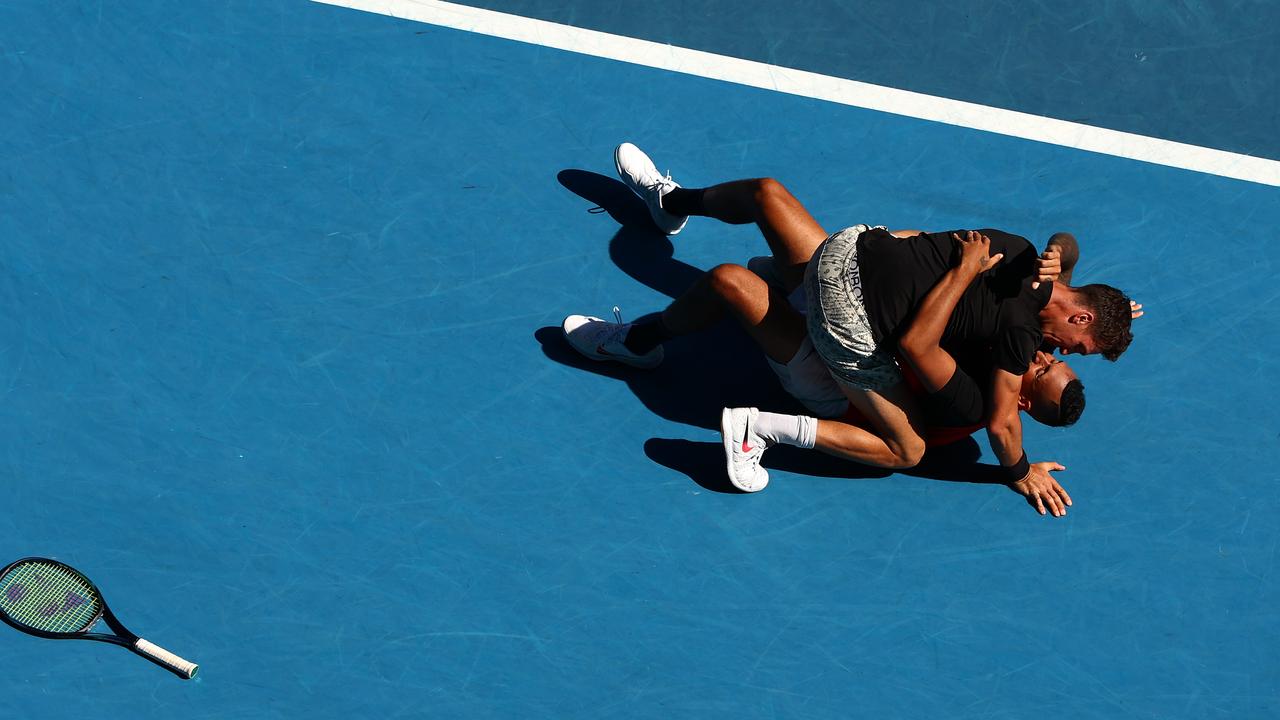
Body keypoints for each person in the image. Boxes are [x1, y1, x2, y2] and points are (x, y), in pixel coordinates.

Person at [563, 144, 1134, 513]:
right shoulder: (1030, 287)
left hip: (841, 361)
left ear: (1027, 401)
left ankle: (640, 347)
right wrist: (1094, 287)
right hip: (850, 280)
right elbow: (1063, 261)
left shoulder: (979, 393)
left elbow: (969, 389)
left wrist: (1016, 469)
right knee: (767, 193)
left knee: (731, 281)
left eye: (1055, 363)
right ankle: (671, 203)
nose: (1051, 355)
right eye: (1067, 351)